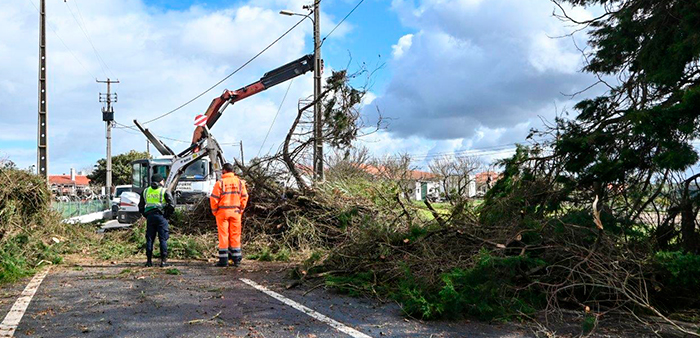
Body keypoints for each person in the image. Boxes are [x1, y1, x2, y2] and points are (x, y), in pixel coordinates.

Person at [210, 163, 248, 267]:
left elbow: (214, 199)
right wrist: (241, 209)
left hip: (222, 212)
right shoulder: (240, 183)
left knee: (223, 235)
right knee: (235, 235)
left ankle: (223, 260)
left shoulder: (220, 183)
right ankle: (236, 259)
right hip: (236, 212)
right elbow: (244, 197)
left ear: (224, 171)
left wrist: (214, 211)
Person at [138, 173, 175, 267]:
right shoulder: (164, 191)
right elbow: (172, 205)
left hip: (150, 217)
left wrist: (146, 215)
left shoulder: (145, 191)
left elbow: (141, 206)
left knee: (150, 239)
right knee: (163, 239)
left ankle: (149, 261)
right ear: (160, 181)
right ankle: (163, 261)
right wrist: (167, 215)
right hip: (161, 217)